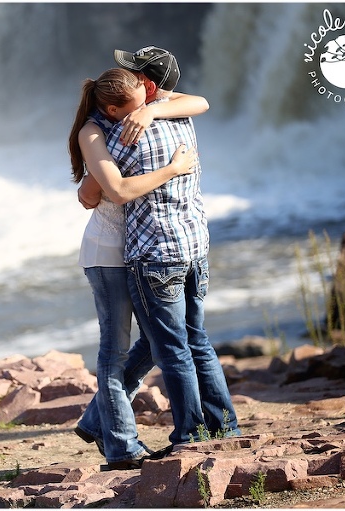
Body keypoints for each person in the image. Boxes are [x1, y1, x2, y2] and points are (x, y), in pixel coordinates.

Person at [67, 67, 208, 470]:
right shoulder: (94, 134)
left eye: (147, 100)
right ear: (112, 109)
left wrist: (152, 111)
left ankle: (97, 421)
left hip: (140, 252)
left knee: (154, 342)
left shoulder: (142, 111)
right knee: (114, 352)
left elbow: (199, 102)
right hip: (108, 252)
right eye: (135, 107)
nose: (143, 106)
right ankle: (122, 447)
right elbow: (109, 191)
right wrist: (172, 169)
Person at [105, 45, 241, 453]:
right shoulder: (182, 117)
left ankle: (190, 435)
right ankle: (226, 426)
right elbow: (199, 101)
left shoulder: (121, 132)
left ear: (146, 84)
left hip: (155, 256)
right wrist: (150, 107)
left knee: (173, 350)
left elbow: (94, 190)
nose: (125, 77)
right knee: (197, 338)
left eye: (133, 74)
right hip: (194, 245)